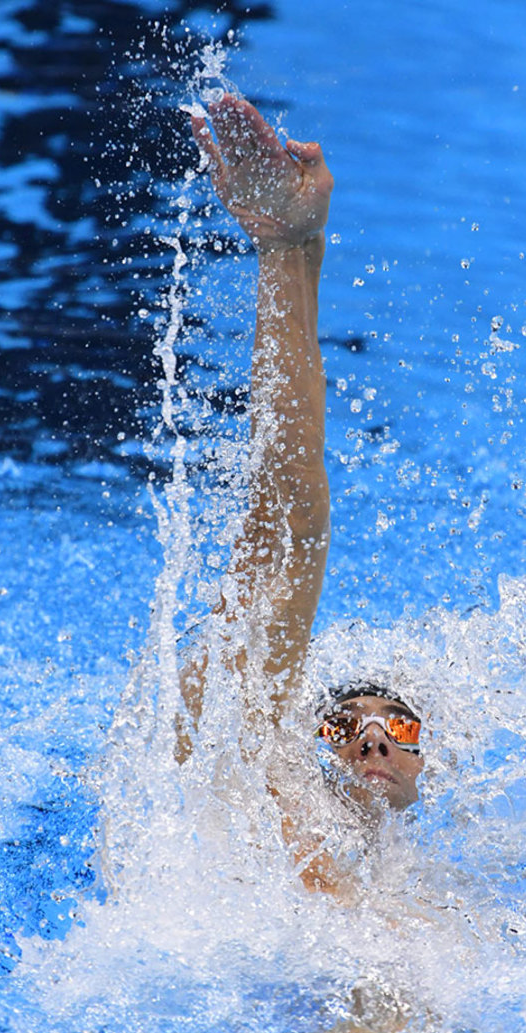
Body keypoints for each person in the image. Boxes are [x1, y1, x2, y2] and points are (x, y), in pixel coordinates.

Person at [185, 94, 424, 893]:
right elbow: (285, 522)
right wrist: (289, 254)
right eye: (342, 727)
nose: (371, 742)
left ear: (429, 761)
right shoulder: (252, 809)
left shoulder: (451, 897)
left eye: (398, 726)